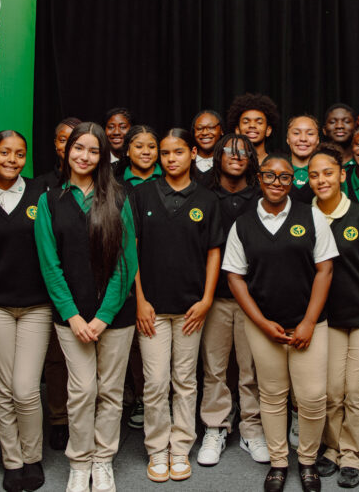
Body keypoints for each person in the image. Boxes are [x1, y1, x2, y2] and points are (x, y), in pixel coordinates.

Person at [223, 154, 338, 492]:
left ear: (293, 181)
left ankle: (306, 460)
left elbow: (325, 270)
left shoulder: (311, 216)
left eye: (284, 177)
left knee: (313, 396)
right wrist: (260, 323)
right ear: (259, 178)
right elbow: (235, 278)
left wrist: (308, 322)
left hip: (309, 325)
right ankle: (278, 462)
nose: (276, 182)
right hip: (263, 327)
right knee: (272, 395)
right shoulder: (242, 224)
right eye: (270, 176)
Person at [34, 121, 139, 492]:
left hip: (116, 317)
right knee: (81, 392)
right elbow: (50, 265)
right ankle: (79, 462)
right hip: (72, 318)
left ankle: (102, 459)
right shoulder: (49, 200)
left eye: (94, 150)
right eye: (79, 148)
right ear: (67, 150)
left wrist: (104, 316)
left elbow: (127, 263)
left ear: (103, 156)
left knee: (110, 391)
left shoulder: (120, 198)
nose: (85, 156)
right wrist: (74, 316)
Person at [133, 129, 224, 482]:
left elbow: (214, 252)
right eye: (165, 153)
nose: (171, 158)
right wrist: (139, 300)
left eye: (178, 152)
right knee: (155, 382)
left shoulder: (207, 198)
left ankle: (180, 446)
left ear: (191, 154)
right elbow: (132, 249)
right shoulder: (141, 195)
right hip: (151, 308)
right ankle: (157, 448)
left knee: (185, 380)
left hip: (191, 309)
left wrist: (206, 299)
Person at [308, 145, 359, 489]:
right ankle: (331, 447)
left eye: (328, 173)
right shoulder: (303, 217)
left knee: (357, 390)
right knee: (330, 390)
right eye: (314, 175)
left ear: (342, 175)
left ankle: (354, 454)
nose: (321, 180)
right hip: (327, 321)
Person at [0, 130, 50, 491]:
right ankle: (13, 460)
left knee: (26, 387)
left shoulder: (41, 194)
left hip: (37, 306)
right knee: (4, 388)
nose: (12, 160)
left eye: (19, 154)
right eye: (4, 152)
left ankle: (32, 456)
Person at [197, 134, 270, 466]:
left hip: (253, 298)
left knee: (250, 369)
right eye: (229, 151)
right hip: (215, 299)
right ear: (217, 156)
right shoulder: (205, 194)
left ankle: (252, 428)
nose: (236, 156)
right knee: (214, 368)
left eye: (244, 153)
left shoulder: (262, 196)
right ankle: (216, 426)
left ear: (252, 159)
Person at [36, 115, 81, 452]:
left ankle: (87, 418)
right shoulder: (41, 187)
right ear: (56, 145)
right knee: (55, 359)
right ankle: (59, 420)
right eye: (64, 139)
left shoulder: (102, 186)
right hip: (50, 288)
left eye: (76, 140)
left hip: (89, 288)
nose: (70, 146)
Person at [226, 93, 281, 165]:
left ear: (268, 130)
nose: (252, 125)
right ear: (237, 130)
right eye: (246, 122)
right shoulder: (229, 164)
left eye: (259, 122)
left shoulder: (277, 164)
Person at [286, 114, 320, 204]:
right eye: (296, 133)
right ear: (288, 139)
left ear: (317, 140)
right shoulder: (278, 170)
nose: (303, 139)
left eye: (310, 133)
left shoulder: (325, 173)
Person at [118, 124, 163, 188]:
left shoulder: (169, 178)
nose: (146, 152)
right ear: (127, 151)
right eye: (139, 147)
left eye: (152, 147)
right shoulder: (114, 182)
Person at [192, 109, 224, 183]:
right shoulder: (187, 161)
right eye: (199, 128)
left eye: (211, 127)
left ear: (221, 130)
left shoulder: (227, 161)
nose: (205, 133)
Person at [322, 103, 356, 168]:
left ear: (355, 128)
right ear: (324, 130)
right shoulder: (318, 160)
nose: (339, 126)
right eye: (332, 122)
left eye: (346, 121)